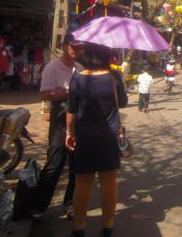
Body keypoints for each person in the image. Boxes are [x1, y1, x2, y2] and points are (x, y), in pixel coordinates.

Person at [66, 42, 127, 237]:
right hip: (109, 136)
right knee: (108, 182)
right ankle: (108, 224)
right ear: (107, 55)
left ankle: (79, 226)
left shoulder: (77, 79)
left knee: (82, 182)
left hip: (85, 136)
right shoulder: (113, 77)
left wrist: (69, 133)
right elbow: (123, 102)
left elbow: (72, 111)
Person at [32, 33, 81, 221]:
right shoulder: (52, 67)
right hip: (60, 120)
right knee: (54, 164)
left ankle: (70, 204)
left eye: (79, 47)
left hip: (78, 122)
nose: (77, 50)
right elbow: (43, 94)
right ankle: (39, 205)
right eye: (73, 46)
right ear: (64, 45)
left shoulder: (80, 68)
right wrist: (62, 94)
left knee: (76, 167)